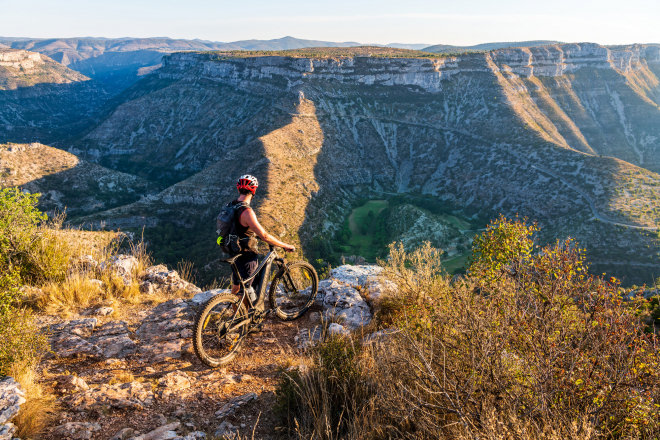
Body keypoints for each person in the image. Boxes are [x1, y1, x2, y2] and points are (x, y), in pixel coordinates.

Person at [229, 175, 295, 299]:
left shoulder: (231, 205)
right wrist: (285, 245)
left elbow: (236, 227)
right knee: (248, 290)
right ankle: (249, 315)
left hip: (232, 250)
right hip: (246, 255)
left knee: (237, 285)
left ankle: (234, 314)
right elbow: (265, 236)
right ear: (254, 190)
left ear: (238, 189)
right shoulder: (246, 212)